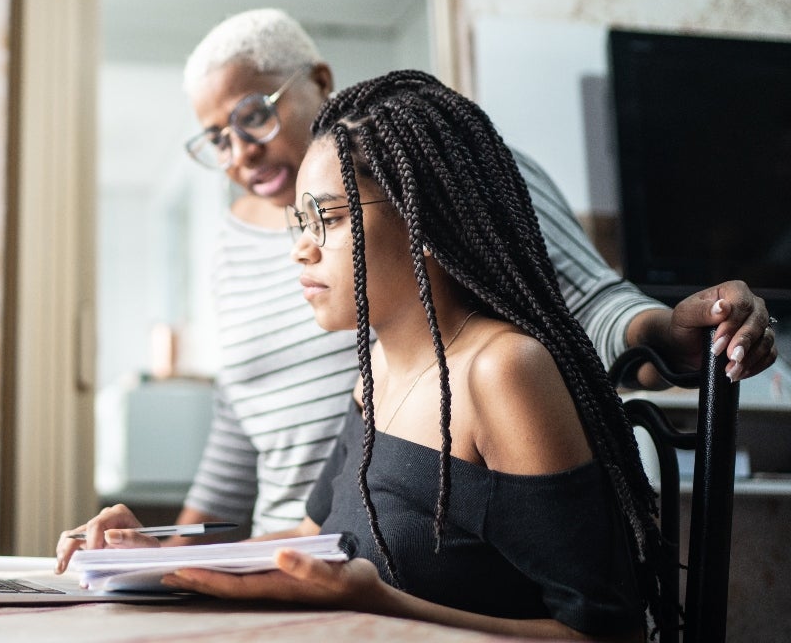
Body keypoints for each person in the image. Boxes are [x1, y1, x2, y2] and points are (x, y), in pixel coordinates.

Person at [61, 70, 668, 640]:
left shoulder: (503, 371)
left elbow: (607, 633)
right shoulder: (373, 371)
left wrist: (380, 604)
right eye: (299, 222)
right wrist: (154, 562)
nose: (301, 248)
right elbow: (310, 537)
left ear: (422, 217)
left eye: (325, 217)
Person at [159, 9, 777, 539]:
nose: (239, 151)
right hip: (303, 548)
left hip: (425, 558)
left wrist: (667, 336)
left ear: (318, 81)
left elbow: (586, 304)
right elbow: (238, 427)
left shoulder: (448, 178)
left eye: (252, 116)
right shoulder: (227, 247)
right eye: (217, 139)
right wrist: (165, 548)